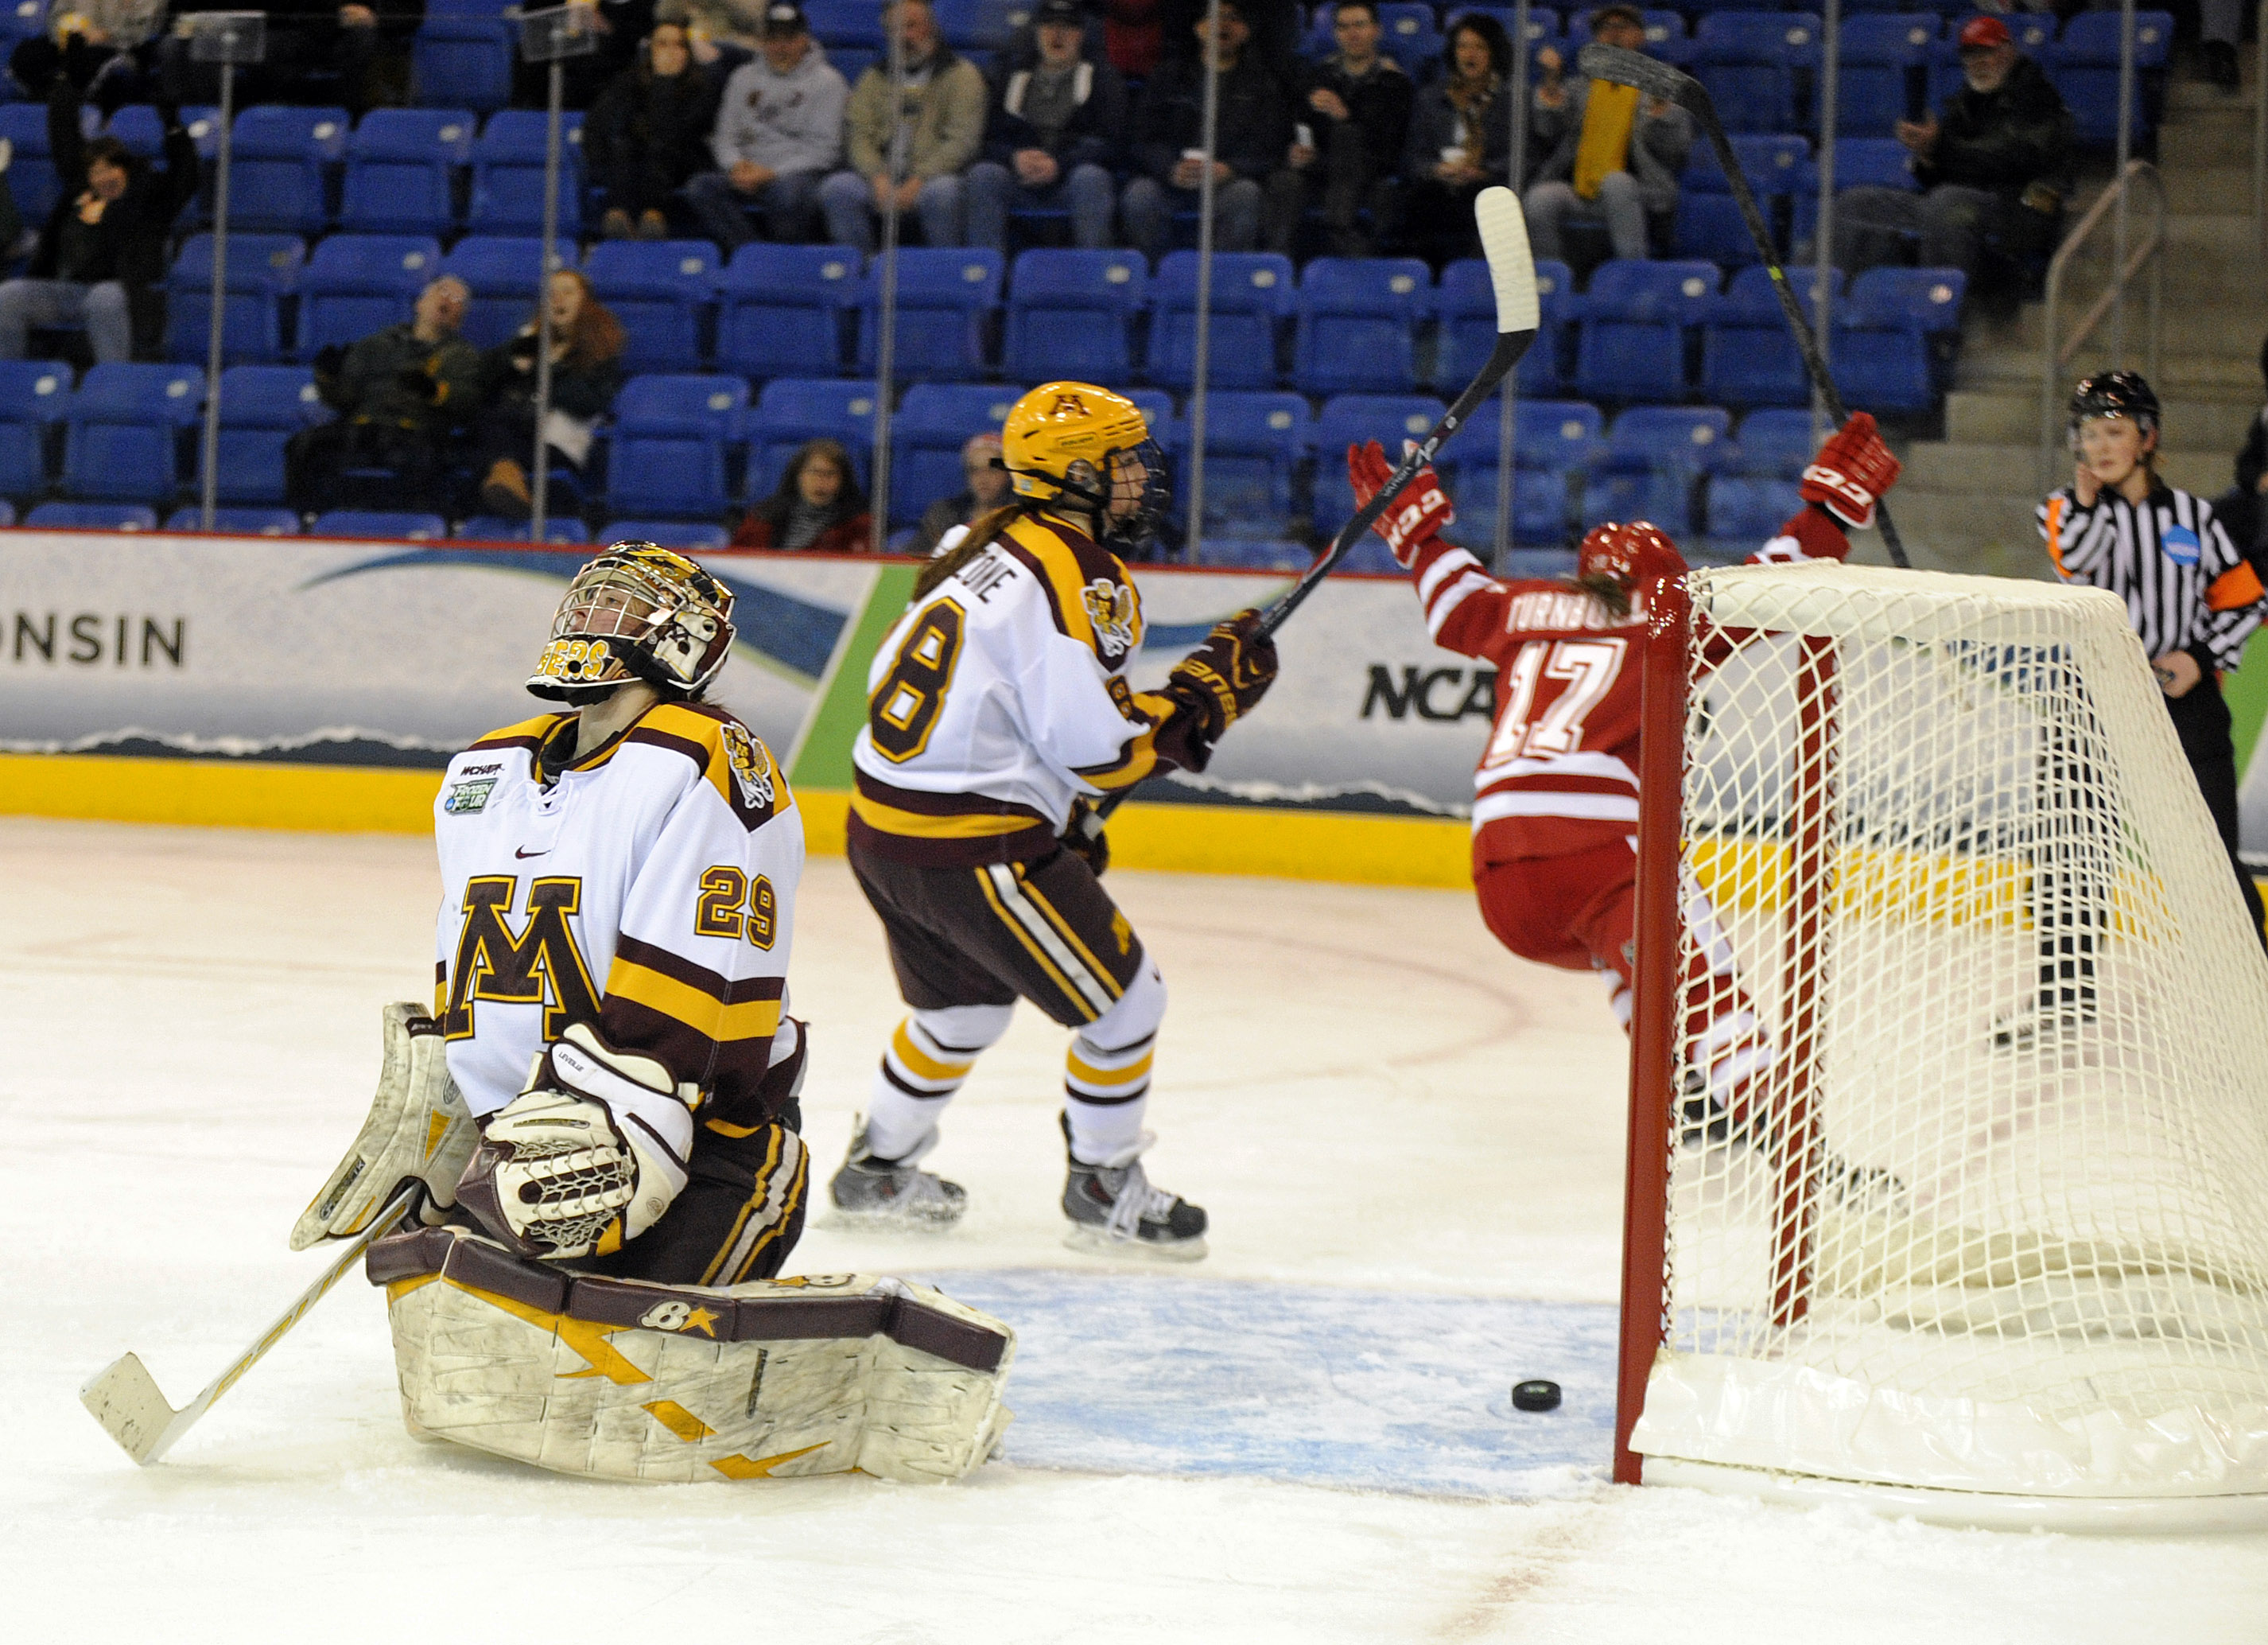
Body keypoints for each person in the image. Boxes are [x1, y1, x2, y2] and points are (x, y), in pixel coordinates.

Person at [1346, 412, 1903, 1141]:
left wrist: (1416, 538)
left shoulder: (1524, 608)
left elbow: (1456, 603)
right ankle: (1792, 1139)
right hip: (1595, 850)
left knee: (1630, 954)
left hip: (1502, 886)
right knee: (1699, 970)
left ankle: (1689, 1091)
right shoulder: (1671, 613)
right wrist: (1828, 512)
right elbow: (1774, 581)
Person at [829, 380, 1280, 1255]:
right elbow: (1099, 750)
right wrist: (1200, 702)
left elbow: (988, 702)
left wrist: (1060, 803)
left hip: (882, 828)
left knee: (957, 1017)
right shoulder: (1079, 571)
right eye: (1121, 462)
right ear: (1076, 473)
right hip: (969, 843)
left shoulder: (978, 537)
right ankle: (1102, 1184)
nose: (1137, 478)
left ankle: (876, 1167)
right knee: (1125, 1005)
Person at [292, 542, 814, 1286]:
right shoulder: (485, 767)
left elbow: (709, 972)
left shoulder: (700, 757)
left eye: (622, 606)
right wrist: (459, 1102)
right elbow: (466, 962)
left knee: (628, 1371)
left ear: (682, 643)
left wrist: (622, 1111)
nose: (590, 620)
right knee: (479, 1353)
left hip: (696, 1149)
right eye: (587, 602)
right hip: (521, 1155)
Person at [2035, 372, 2267, 994]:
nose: (2100, 445)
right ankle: (2063, 994)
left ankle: (2250, 989)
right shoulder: (2061, 511)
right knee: (2071, 851)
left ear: (2147, 438)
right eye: (2088, 433)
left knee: (2212, 853)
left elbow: (2244, 603)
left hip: (2184, 704)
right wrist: (2085, 502)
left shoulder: (2195, 517)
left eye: (2114, 431)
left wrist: (2198, 655)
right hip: (2087, 703)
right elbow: (2075, 560)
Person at [1832, 14, 2072, 317]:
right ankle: (1820, 310)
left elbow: (2011, 159)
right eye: (1970, 55)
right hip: (1958, 207)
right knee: (1856, 204)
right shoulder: (1964, 103)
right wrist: (1927, 157)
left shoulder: (2039, 99)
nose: (1978, 62)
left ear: (2009, 51)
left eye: (1987, 52)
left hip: (2018, 208)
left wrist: (1942, 149)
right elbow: (1943, 175)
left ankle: (1939, 318)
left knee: (1947, 205)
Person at [0, 72, 194, 362]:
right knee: (9, 295)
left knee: (104, 297)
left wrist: (174, 126)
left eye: (110, 169)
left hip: (125, 292)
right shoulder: (80, 195)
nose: (103, 177)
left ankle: (113, 382)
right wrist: (68, 83)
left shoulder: (149, 199)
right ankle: (9, 382)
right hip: (70, 291)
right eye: (96, 171)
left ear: (126, 170)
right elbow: (65, 140)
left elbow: (186, 176)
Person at [285, 275, 480, 517]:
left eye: (456, 299)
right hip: (363, 428)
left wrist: (434, 391)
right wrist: (328, 378)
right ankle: (307, 520)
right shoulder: (377, 344)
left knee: (430, 460)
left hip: (416, 431)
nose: (447, 299)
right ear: (420, 303)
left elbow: (469, 401)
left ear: (458, 319)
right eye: (441, 291)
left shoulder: (463, 356)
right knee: (303, 445)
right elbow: (344, 399)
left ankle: (418, 526)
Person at [1120, 0, 1299, 262]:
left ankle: (1225, 281)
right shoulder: (1169, 76)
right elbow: (1143, 138)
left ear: (1246, 31)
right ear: (1198, 27)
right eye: (1215, 16)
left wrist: (1230, 169)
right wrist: (1171, 168)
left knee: (1246, 194)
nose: (1223, 24)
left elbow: (1269, 146)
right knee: (1139, 195)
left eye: (1233, 18)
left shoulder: (1262, 83)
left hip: (1227, 184)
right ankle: (1158, 276)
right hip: (1172, 182)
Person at [1521, 6, 1694, 265]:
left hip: (1642, 192)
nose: (1613, 34)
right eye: (1605, 29)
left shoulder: (1659, 87)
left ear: (1640, 38)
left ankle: (1634, 272)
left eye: (1622, 27)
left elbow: (1675, 150)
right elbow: (1548, 131)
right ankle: (1550, 280)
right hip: (1580, 190)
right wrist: (1551, 86)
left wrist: (1659, 110)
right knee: (1539, 198)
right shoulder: (1578, 87)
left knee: (1616, 183)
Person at [819, 0, 988, 255]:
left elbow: (962, 141)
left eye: (911, 26)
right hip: (882, 176)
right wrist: (876, 176)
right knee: (838, 188)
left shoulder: (962, 75)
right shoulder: (874, 76)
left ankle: (946, 272)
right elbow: (859, 135)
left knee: (943, 194)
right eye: (895, 29)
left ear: (931, 28)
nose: (904, 36)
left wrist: (920, 178)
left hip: (934, 176)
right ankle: (863, 271)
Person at [965, 0, 1127, 254]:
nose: (1058, 35)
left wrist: (1059, 164)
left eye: (1068, 28)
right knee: (984, 175)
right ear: (1037, 31)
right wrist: (1014, 158)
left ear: (1082, 35)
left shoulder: (1104, 79)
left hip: (1071, 180)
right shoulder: (1010, 75)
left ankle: (1096, 277)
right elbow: (985, 140)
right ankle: (984, 275)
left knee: (1091, 178)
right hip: (1019, 179)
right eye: (1050, 26)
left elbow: (1112, 143)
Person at [684, 2, 846, 248]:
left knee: (788, 194)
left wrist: (772, 173)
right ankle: (752, 254)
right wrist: (735, 164)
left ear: (804, 40)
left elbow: (824, 152)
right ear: (762, 41)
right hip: (747, 168)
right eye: (773, 39)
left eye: (788, 39)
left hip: (796, 173)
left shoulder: (828, 82)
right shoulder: (743, 77)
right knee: (701, 187)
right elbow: (725, 135)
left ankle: (784, 260)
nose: (780, 47)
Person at [471, 269, 627, 520]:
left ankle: (506, 480)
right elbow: (483, 375)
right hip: (517, 430)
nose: (558, 299)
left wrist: (548, 369)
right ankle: (508, 481)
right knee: (485, 416)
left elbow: (589, 402)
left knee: (494, 440)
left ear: (585, 302)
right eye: (551, 294)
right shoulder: (531, 340)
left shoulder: (600, 347)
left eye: (567, 292)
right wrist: (512, 356)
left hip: (559, 441)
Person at [1280, 0, 1412, 260]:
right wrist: (1298, 151)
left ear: (1377, 30)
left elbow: (1392, 146)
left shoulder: (1394, 82)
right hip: (1321, 170)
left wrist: (1346, 116)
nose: (1351, 33)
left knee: (1347, 135)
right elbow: (1298, 126)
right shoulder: (1318, 77)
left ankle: (1339, 228)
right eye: (1343, 27)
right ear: (1335, 33)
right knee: (1285, 182)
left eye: (1359, 26)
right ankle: (1280, 262)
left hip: (1372, 172)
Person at [586, 19, 727, 240]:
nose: (670, 52)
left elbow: (676, 133)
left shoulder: (704, 87)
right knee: (626, 145)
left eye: (678, 45)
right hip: (634, 163)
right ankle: (619, 214)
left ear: (687, 52)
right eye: (662, 44)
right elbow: (600, 121)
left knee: (660, 146)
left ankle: (655, 214)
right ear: (650, 50)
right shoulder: (630, 80)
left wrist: (664, 83)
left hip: (684, 162)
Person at [1395, 12, 1513, 267]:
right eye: (1463, 46)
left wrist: (1482, 172)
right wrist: (1436, 169)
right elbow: (1413, 157)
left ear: (1493, 53)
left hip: (1487, 186)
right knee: (1417, 201)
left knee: (1482, 203)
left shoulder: (1511, 100)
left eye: (1479, 47)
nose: (1469, 54)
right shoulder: (1431, 97)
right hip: (1440, 186)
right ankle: (1421, 281)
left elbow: (1522, 159)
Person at [732, 436, 873, 550]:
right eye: (814, 472)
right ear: (798, 475)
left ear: (843, 480)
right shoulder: (762, 519)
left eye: (830, 474)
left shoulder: (858, 525)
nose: (821, 481)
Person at [910, 430, 1009, 555]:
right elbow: (915, 559)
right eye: (975, 470)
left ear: (1008, 474)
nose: (983, 479)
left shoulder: (1021, 518)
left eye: (992, 470)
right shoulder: (943, 513)